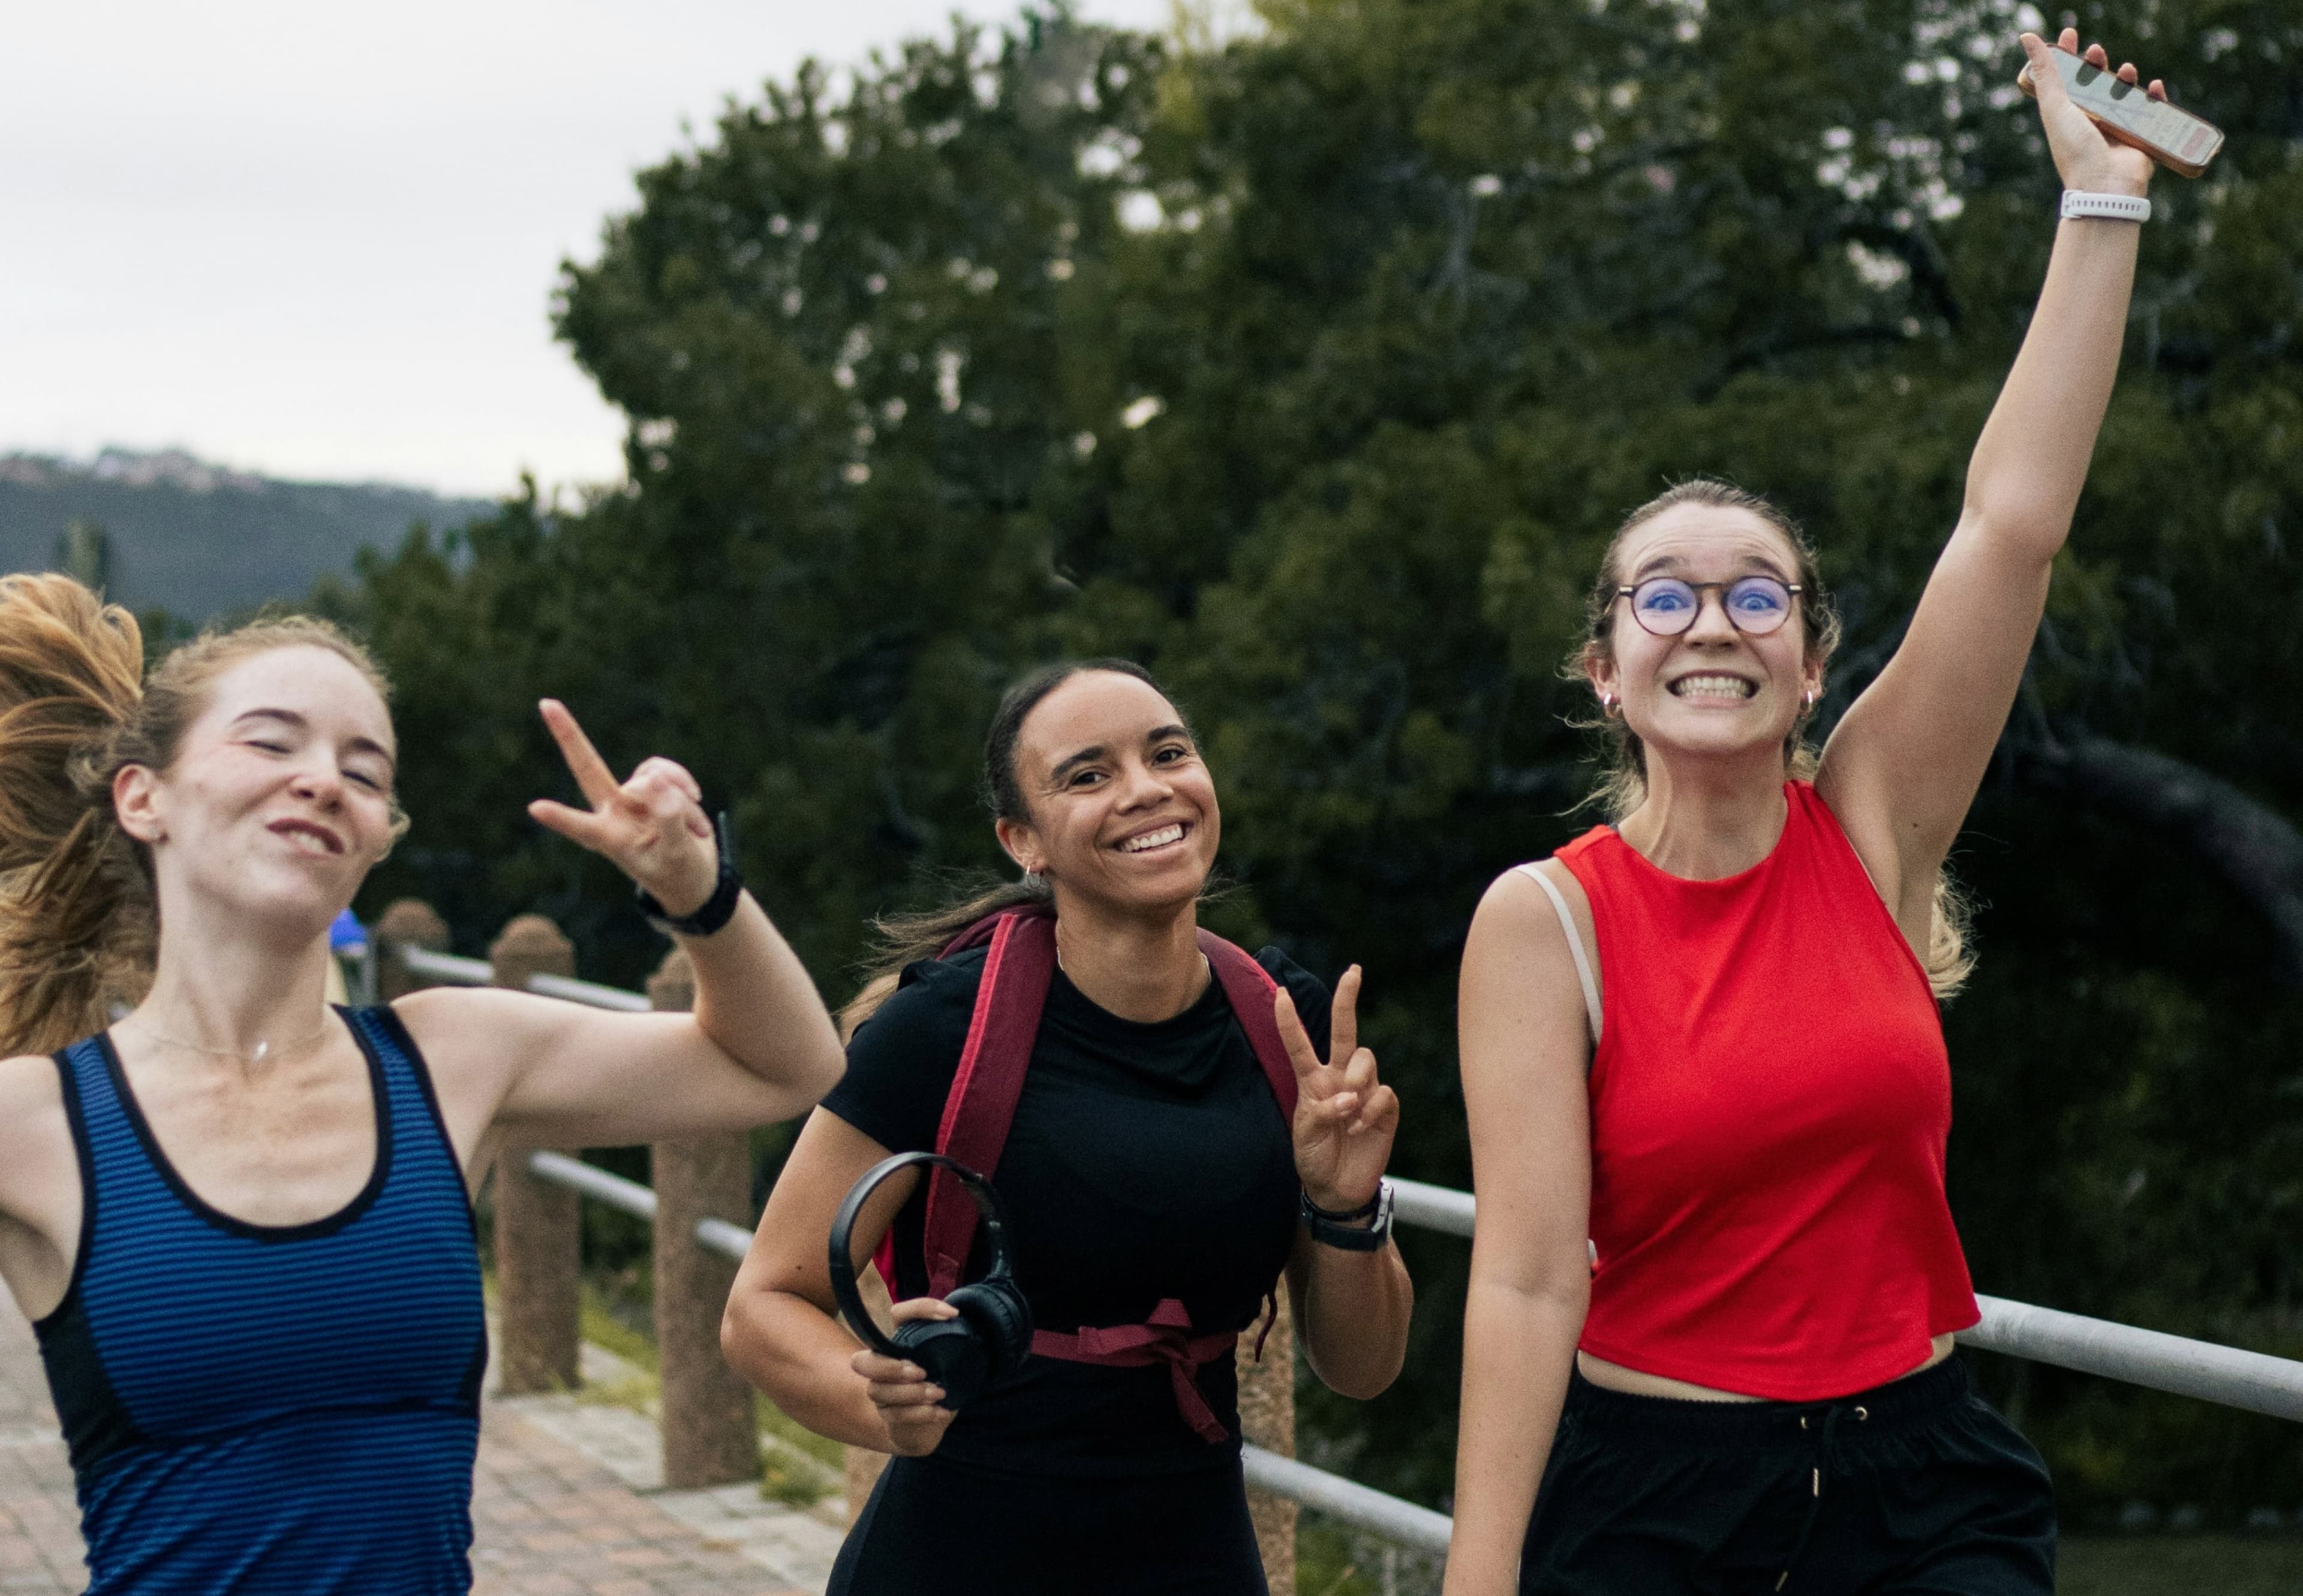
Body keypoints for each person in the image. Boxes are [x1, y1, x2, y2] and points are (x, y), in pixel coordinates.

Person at [1447, 28, 2174, 1595]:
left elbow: (2012, 524)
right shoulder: (1546, 920)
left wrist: (2101, 202)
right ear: (1604, 668)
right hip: (1660, 1506)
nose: (1712, 621)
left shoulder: (1872, 822)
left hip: (1923, 1488)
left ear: (1814, 658)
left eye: (1757, 592)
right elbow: (1523, 1280)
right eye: (1665, 595)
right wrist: (1478, 1579)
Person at [0, 576, 844, 1595]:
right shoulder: (34, 1121)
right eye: (272, 742)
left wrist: (696, 894)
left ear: (374, 836)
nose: (323, 780)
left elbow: (783, 1065)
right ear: (144, 796)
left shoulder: (451, 1058)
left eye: (364, 770)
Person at [721, 659, 1414, 1594]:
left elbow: (1364, 1368)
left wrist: (1345, 1206)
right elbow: (762, 1303)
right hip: (956, 1561)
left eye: (1168, 753)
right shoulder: (941, 1029)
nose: (1146, 788)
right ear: (1025, 841)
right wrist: (877, 1400)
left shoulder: (1285, 1025)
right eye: (1088, 774)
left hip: (1194, 1556)